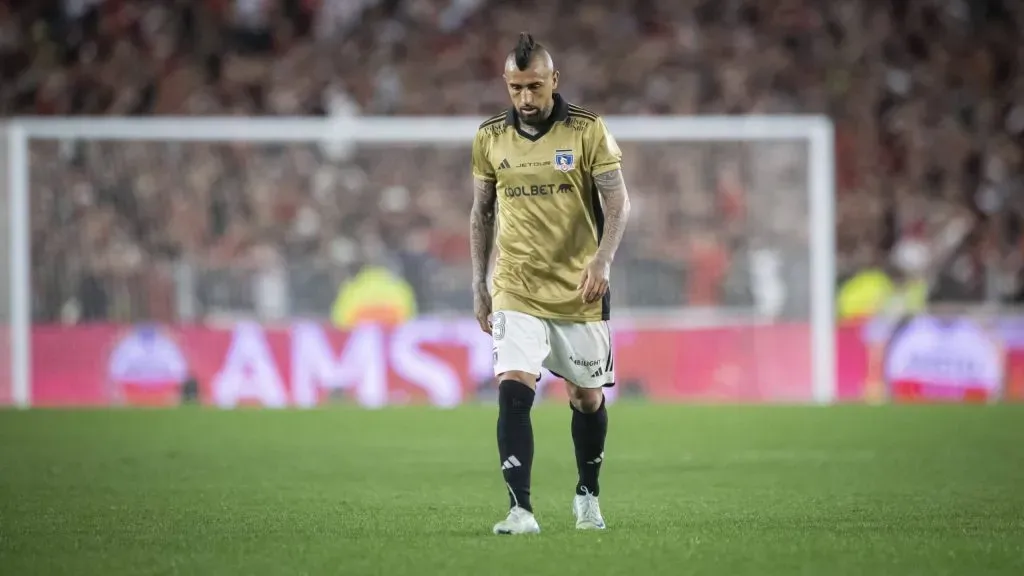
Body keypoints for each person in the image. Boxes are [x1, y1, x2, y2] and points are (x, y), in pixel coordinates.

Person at [469, 32, 631, 535]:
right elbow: (481, 213)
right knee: (513, 387)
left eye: (535, 86)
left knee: (586, 398)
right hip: (515, 285)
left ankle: (588, 495)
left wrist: (602, 261)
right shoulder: (490, 137)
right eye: (516, 88)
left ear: (554, 80)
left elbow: (618, 203)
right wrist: (480, 283)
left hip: (579, 289)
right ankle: (521, 510)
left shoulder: (588, 131)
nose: (526, 99)